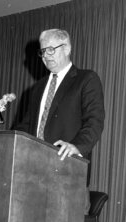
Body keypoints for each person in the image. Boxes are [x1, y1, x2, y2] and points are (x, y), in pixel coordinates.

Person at [17, 29, 105, 212]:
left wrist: (77, 147)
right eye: (43, 51)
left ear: (67, 48)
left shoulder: (86, 79)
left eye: (51, 49)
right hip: (34, 175)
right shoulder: (38, 88)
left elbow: (95, 120)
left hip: (68, 172)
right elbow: (26, 126)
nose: (46, 56)